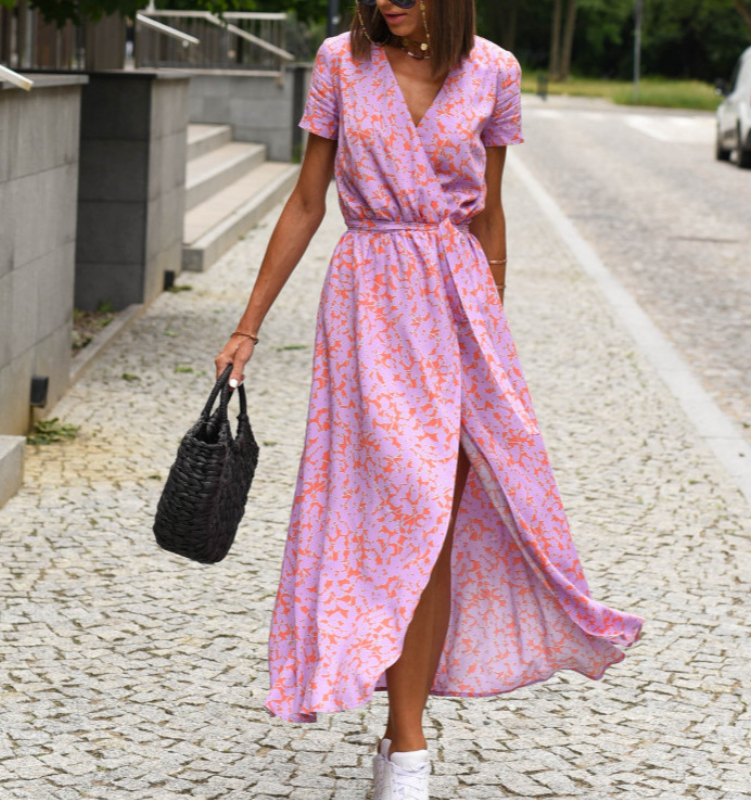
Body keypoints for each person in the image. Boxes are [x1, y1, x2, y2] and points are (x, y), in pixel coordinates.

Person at [214, 1, 645, 798]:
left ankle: (405, 746)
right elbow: (308, 200)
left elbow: (492, 217)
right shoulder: (342, 61)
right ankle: (378, 707)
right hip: (368, 306)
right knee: (395, 508)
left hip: (457, 312)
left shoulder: (496, 72)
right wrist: (248, 325)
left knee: (434, 521)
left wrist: (492, 336)